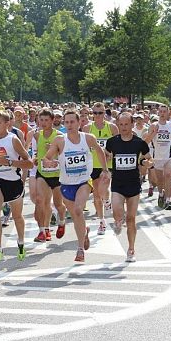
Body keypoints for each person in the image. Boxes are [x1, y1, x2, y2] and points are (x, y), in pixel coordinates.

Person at [44, 109, 109, 262]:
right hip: (66, 184)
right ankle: (84, 231)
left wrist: (105, 170)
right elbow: (47, 157)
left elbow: (100, 151)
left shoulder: (88, 138)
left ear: (80, 123)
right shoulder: (60, 140)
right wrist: (49, 161)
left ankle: (80, 249)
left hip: (84, 181)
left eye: (72, 121)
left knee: (79, 210)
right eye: (66, 122)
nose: (69, 125)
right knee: (76, 216)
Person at [0, 110, 33, 264]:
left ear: (7, 124)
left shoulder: (13, 140)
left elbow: (29, 162)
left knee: (17, 216)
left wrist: (10, 163)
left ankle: (21, 243)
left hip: (14, 182)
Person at [105, 112, 153, 262]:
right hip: (118, 183)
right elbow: (105, 156)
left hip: (133, 183)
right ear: (117, 125)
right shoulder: (112, 142)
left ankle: (131, 249)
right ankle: (118, 220)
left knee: (131, 219)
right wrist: (104, 169)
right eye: (121, 124)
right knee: (117, 210)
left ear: (132, 125)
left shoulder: (139, 143)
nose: (124, 127)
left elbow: (148, 158)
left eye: (127, 124)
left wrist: (146, 164)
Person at [84, 102, 118, 235]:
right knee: (97, 195)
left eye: (100, 113)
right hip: (92, 165)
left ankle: (107, 201)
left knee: (103, 190)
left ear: (105, 113)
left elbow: (119, 145)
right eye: (95, 113)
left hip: (106, 165)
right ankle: (101, 221)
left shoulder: (112, 128)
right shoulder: (87, 128)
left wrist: (111, 154)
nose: (97, 115)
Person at [33, 108, 67, 241]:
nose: (43, 123)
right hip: (42, 173)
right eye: (41, 120)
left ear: (53, 121)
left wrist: (54, 151)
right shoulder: (37, 135)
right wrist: (35, 158)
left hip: (57, 175)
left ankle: (62, 221)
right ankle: (43, 230)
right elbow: (35, 152)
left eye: (46, 120)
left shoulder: (59, 136)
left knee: (58, 204)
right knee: (41, 201)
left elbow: (64, 155)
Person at [145, 105, 171, 210]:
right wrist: (154, 133)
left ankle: (168, 200)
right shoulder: (153, 125)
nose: (162, 113)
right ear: (158, 113)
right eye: (161, 111)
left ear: (168, 113)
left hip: (169, 156)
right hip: (157, 157)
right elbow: (147, 141)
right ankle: (161, 193)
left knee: (168, 175)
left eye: (164, 111)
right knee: (160, 180)